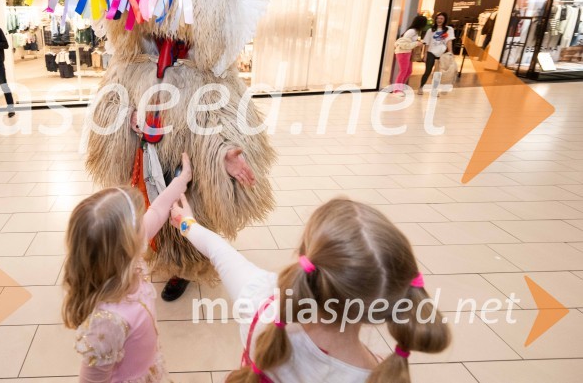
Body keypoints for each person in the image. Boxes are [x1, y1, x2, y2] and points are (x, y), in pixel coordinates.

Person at [171, 197, 451, 383]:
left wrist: (186, 222)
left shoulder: (264, 310)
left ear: (304, 257)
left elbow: (219, 252)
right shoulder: (377, 373)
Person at [63, 153, 193, 383]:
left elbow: (159, 210)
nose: (145, 221)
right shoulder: (106, 322)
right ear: (126, 246)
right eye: (138, 223)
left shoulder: (127, 260)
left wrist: (183, 179)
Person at [418, 12, 455, 95]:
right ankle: (421, 87)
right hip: (431, 52)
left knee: (438, 73)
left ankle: (435, 90)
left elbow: (449, 41)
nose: (439, 20)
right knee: (427, 71)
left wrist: (451, 52)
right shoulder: (430, 30)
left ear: (445, 20)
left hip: (442, 54)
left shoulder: (449, 29)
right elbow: (427, 43)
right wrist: (425, 54)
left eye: (441, 19)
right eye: (438, 18)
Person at [393, 15, 428, 95]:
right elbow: (402, 43)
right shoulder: (412, 31)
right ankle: (397, 90)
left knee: (408, 71)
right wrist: (416, 43)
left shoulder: (414, 31)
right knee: (403, 71)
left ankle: (400, 88)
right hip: (403, 52)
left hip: (407, 52)